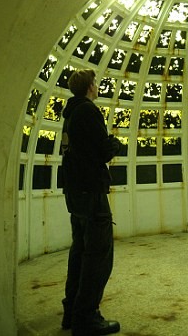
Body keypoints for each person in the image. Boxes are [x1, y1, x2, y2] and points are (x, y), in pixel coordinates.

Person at [61, 68, 121, 336]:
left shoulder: (70, 113)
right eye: (95, 83)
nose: (98, 86)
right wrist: (114, 143)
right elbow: (103, 150)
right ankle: (87, 317)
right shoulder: (87, 110)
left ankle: (72, 312)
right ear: (89, 86)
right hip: (91, 190)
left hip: (75, 191)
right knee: (98, 256)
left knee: (80, 251)